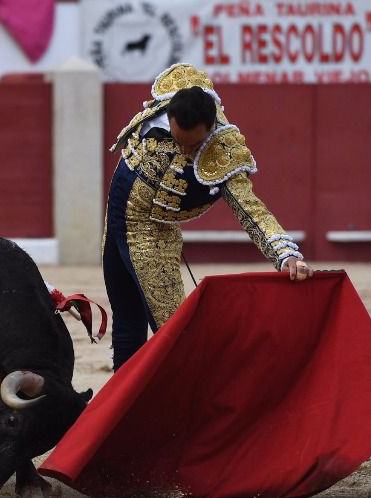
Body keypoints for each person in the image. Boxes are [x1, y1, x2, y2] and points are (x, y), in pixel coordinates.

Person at [103, 63, 313, 371]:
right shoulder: (171, 99)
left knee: (174, 336)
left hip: (153, 236)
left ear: (210, 128)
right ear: (169, 114)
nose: (186, 148)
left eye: (194, 143)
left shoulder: (223, 151)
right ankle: (120, 411)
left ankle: (189, 411)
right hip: (115, 217)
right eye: (179, 139)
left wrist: (285, 254)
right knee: (126, 323)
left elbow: (249, 207)